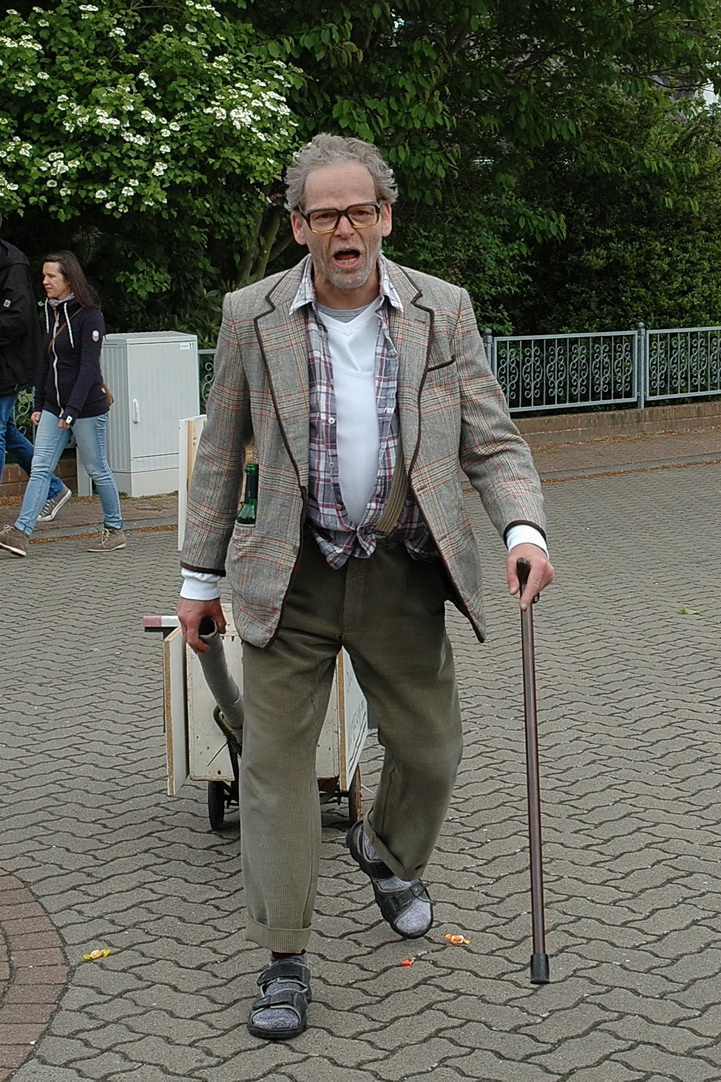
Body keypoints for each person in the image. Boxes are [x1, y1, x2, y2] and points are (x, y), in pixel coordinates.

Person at [177, 134, 554, 1041]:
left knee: (431, 750)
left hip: (400, 567)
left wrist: (523, 530)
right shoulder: (250, 315)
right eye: (322, 215)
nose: (342, 230)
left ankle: (383, 850)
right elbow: (221, 450)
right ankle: (284, 959)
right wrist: (197, 578)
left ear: (385, 216)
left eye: (358, 212)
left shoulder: (441, 309)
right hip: (290, 575)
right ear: (297, 226)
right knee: (273, 769)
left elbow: (491, 440)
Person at [0, 250, 125, 557]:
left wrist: (71, 412)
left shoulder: (90, 315)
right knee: (40, 467)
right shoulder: (52, 311)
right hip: (55, 406)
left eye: (51, 276)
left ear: (69, 279)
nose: (45, 281)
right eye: (43, 275)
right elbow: (46, 361)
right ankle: (21, 533)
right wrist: (39, 404)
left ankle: (114, 529)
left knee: (97, 468)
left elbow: (88, 369)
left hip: (85, 407)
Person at [0, 214, 71, 524]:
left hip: (8, 365)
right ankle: (54, 488)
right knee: (7, 432)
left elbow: (15, 318)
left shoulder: (12, 263)